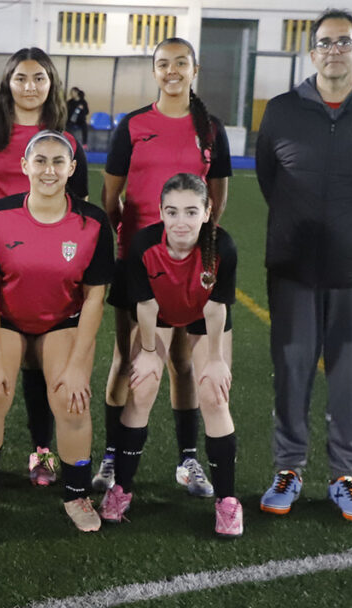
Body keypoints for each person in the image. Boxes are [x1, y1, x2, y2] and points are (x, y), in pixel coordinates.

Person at [256, 9, 352, 524]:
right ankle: (289, 469)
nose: (334, 50)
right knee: (292, 372)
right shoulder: (280, 111)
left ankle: (344, 477)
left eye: (344, 42)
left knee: (349, 377)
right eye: (325, 42)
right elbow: (268, 181)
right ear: (312, 52)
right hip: (292, 268)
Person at [0, 131, 113, 532]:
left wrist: (78, 366)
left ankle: (77, 495)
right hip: (3, 318)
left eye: (58, 162)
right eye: (39, 161)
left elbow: (95, 299)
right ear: (24, 166)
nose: (48, 169)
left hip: (60, 321)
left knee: (72, 400)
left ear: (72, 168)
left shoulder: (93, 222)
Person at [96, 37, 231, 499]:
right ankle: (112, 457)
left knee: (181, 360)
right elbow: (110, 196)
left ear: (195, 69)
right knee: (127, 358)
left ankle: (188, 460)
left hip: (192, 266)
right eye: (162, 64)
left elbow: (217, 197)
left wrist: (197, 247)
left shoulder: (210, 129)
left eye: (180, 63)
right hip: (138, 264)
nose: (171, 71)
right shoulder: (133, 125)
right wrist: (129, 246)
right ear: (153, 71)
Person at [0, 47, 89, 488]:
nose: (30, 87)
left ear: (52, 84)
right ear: (7, 82)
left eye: (39, 79)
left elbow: (78, 207)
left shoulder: (64, 140)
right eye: (21, 78)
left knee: (38, 358)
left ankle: (43, 451)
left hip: (46, 271)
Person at [98, 173, 242, 538]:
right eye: (173, 212)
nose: (182, 222)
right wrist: (147, 352)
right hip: (158, 313)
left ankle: (227, 502)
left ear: (208, 212)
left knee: (213, 391)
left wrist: (214, 360)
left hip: (203, 315)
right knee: (143, 385)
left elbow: (215, 309)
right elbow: (145, 305)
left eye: (192, 212)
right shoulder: (144, 245)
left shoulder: (222, 248)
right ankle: (122, 490)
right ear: (160, 213)